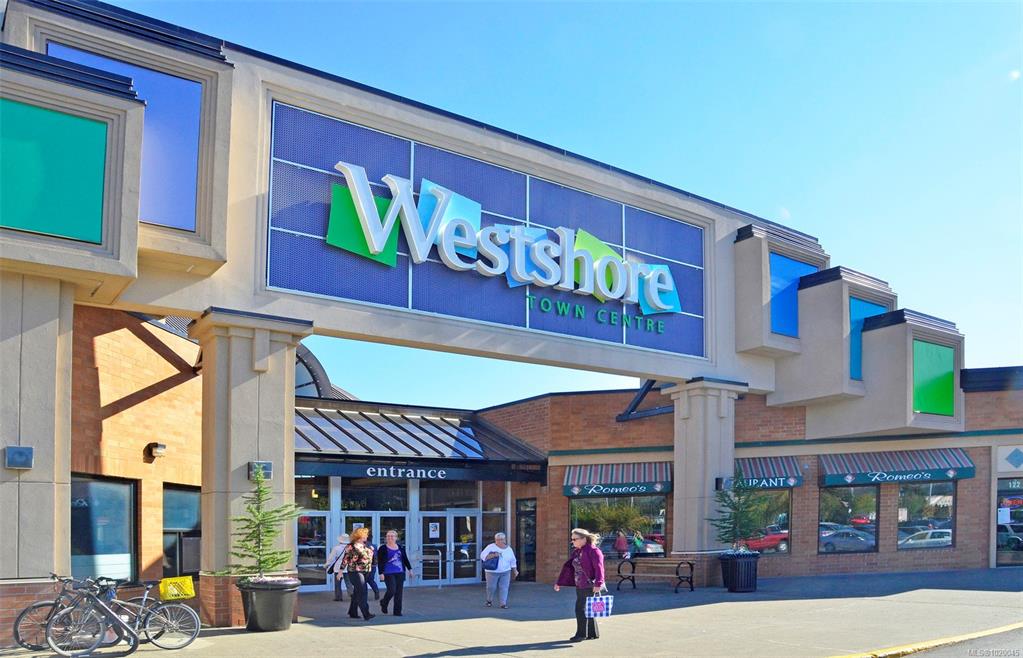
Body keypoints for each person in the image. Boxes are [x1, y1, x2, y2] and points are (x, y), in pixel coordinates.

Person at [554, 528, 605, 642]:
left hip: (589, 585)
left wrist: (598, 583)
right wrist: (559, 582)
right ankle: (592, 633)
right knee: (588, 608)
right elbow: (568, 568)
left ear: (583, 539)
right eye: (572, 539)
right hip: (579, 584)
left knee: (580, 609)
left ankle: (581, 634)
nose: (572, 541)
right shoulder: (577, 551)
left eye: (574, 539)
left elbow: (599, 568)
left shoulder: (594, 551)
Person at [340, 527, 375, 621]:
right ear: (360, 535)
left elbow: (370, 558)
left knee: (357, 593)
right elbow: (345, 559)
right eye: (365, 534)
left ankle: (352, 612)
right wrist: (340, 572)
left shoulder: (365, 545)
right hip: (355, 571)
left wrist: (371, 551)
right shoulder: (351, 546)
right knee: (363, 592)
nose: (367, 536)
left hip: (366, 571)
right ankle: (366, 613)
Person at [375, 529, 413, 616]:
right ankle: (384, 602)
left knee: (399, 592)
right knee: (392, 590)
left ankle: (397, 611)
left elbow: (405, 559)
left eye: (392, 536)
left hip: (400, 572)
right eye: (388, 536)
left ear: (396, 538)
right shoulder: (382, 548)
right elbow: (380, 562)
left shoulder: (400, 547)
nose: (390, 538)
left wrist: (410, 569)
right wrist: (381, 573)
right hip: (388, 572)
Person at [480, 532, 518, 608]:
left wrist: (515, 570)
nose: (499, 541)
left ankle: (503, 604)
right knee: (491, 587)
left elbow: (513, 560)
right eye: (497, 539)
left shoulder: (509, 549)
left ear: (504, 540)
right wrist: (494, 555)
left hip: (506, 571)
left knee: (504, 587)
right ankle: (489, 600)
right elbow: (482, 556)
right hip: (492, 572)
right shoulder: (491, 547)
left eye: (501, 539)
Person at [325, 533, 350, 601]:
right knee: (348, 583)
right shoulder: (350, 548)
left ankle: (338, 597)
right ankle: (352, 595)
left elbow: (331, 558)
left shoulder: (336, 548)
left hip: (338, 568)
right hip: (347, 567)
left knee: (338, 583)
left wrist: (327, 564)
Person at [364, 530, 381, 600]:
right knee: (371, 580)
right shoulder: (374, 546)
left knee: (363, 581)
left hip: (365, 566)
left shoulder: (364, 546)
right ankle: (376, 592)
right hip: (373, 565)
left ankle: (364, 596)